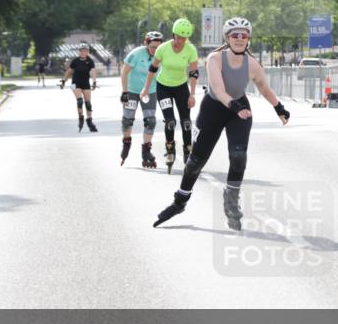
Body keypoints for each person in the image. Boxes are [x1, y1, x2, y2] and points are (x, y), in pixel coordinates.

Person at [153, 17, 290, 230]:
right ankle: (180, 201)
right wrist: (234, 107)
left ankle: (231, 199)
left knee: (238, 156)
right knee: (196, 162)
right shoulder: (215, 58)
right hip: (214, 109)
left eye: (243, 35)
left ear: (248, 39)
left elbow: (264, 87)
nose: (239, 38)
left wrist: (279, 108)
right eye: (234, 35)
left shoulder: (252, 64)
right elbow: (217, 89)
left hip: (239, 111)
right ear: (227, 38)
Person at [140, 18, 200, 173]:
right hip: (163, 87)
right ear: (173, 34)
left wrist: (192, 94)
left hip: (181, 87)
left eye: (184, 38)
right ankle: (170, 150)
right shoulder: (163, 48)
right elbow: (152, 69)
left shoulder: (190, 50)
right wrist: (146, 88)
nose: (181, 41)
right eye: (178, 37)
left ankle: (188, 151)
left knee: (186, 122)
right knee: (170, 121)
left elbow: (193, 73)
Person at [120, 31, 163, 167]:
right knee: (127, 121)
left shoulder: (162, 55)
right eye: (152, 47)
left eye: (158, 47)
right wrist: (124, 92)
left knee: (150, 121)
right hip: (132, 91)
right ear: (146, 44)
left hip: (149, 91)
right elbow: (124, 72)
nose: (155, 50)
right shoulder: (136, 53)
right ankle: (126, 144)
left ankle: (146, 151)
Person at [62, 44, 98, 132]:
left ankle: (89, 121)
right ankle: (81, 118)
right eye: (81, 51)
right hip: (75, 83)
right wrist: (63, 80)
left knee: (88, 103)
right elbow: (69, 71)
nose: (83, 52)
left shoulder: (90, 61)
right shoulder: (75, 61)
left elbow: (93, 71)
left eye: (85, 51)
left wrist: (94, 81)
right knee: (79, 101)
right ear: (79, 52)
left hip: (85, 83)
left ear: (88, 52)